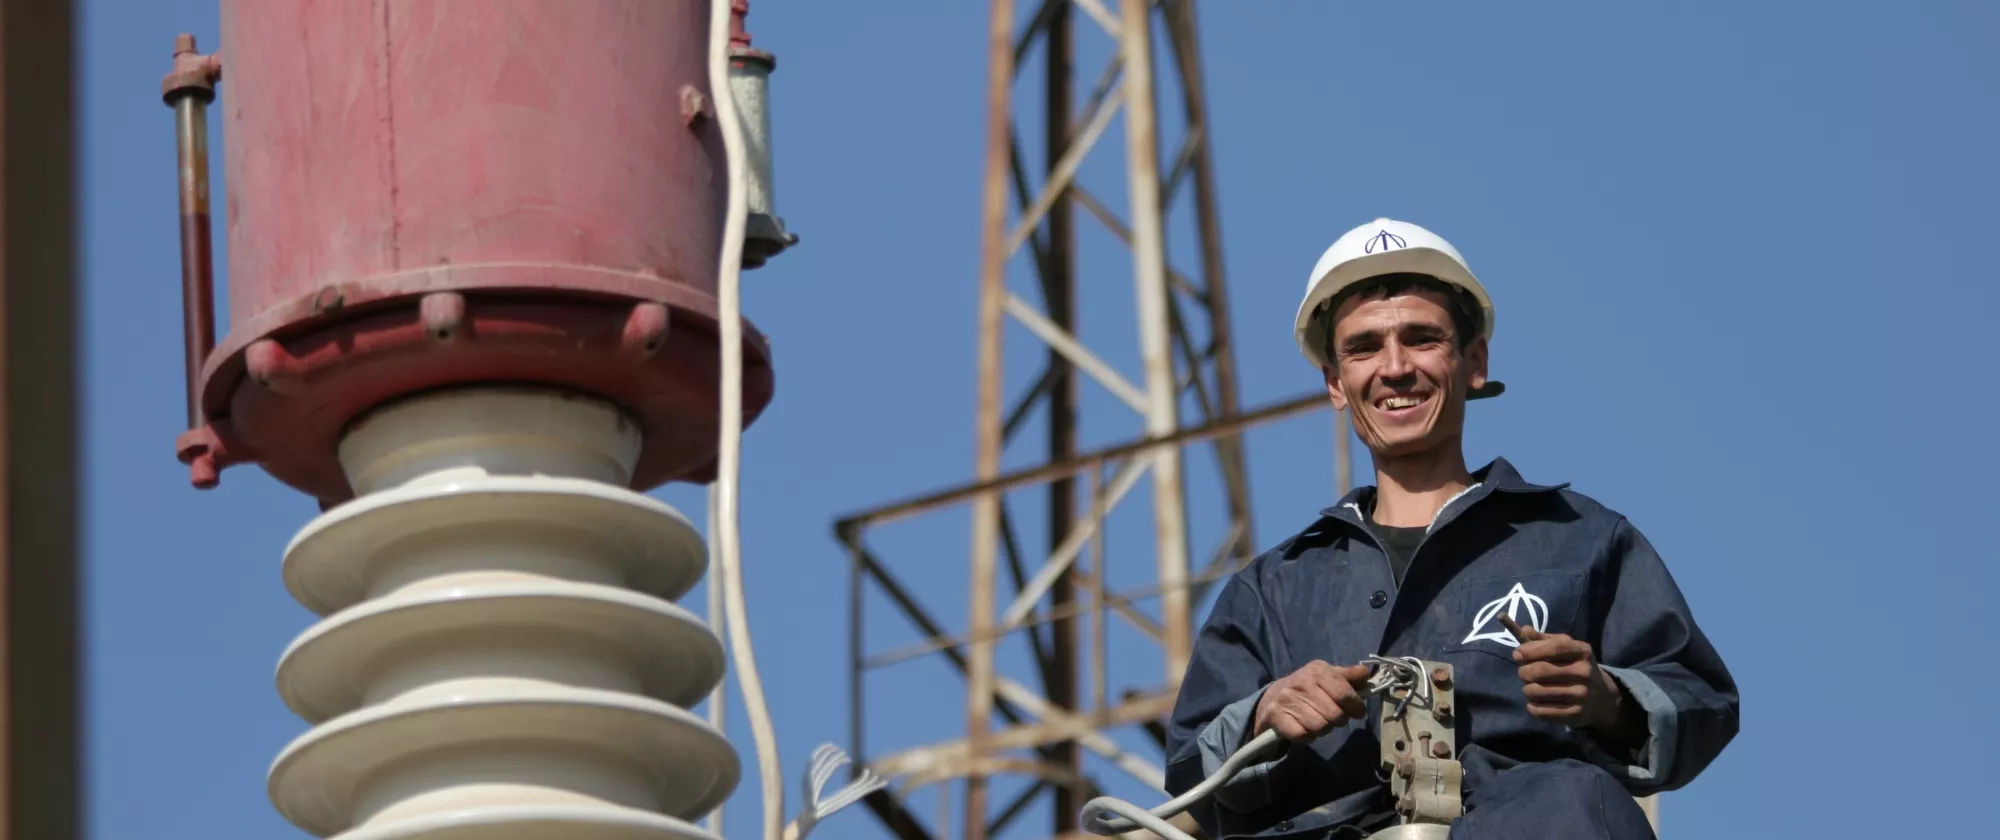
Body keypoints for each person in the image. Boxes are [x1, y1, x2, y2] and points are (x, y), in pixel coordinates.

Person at [1162, 219, 1738, 839]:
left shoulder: (1580, 540)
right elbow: (1191, 775)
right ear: (1335, 383)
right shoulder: (1271, 591)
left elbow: (1699, 700)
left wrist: (1610, 700)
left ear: (1474, 362)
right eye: (1363, 348)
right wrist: (1261, 720)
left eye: (1421, 338)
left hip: (1527, 826)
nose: (1395, 367)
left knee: (1573, 801)